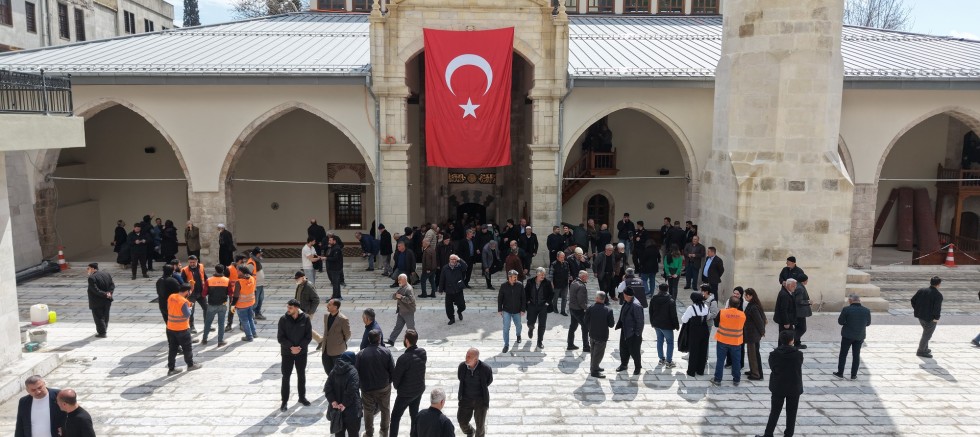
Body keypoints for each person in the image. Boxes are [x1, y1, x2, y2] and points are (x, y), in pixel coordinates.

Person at [755, 330, 804, 437]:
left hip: (778, 386)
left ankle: (768, 434)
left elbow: (773, 368)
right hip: (794, 387)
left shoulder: (774, 355)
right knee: (792, 413)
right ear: (792, 340)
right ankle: (788, 435)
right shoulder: (798, 355)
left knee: (775, 412)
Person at [357, 329, 394, 437]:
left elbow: (356, 372)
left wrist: (360, 385)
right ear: (379, 339)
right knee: (385, 409)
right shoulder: (386, 352)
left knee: (368, 411)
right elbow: (392, 370)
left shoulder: (361, 354)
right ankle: (384, 432)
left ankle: (369, 433)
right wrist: (389, 382)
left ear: (368, 339)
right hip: (383, 387)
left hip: (367, 388)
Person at [278, 299, 313, 411]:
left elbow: (308, 336)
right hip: (287, 353)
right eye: (287, 307)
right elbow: (280, 337)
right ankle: (284, 401)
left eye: (290, 308)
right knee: (286, 377)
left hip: (301, 353)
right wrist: (291, 347)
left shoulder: (306, 318)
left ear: (297, 308)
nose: (288, 309)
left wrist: (299, 348)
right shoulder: (283, 319)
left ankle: (302, 397)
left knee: (301, 375)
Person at [391, 330, 426, 437]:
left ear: (406, 340)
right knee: (414, 415)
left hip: (405, 393)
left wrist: (398, 387)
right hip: (418, 390)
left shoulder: (403, 359)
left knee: (395, 417)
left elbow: (396, 380)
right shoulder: (422, 352)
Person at [325, 351, 362, 437]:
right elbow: (352, 390)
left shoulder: (334, 370)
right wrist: (344, 404)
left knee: (339, 433)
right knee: (353, 433)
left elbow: (327, 387)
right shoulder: (353, 372)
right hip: (351, 410)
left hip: (336, 409)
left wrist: (333, 401)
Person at [167, 284, 202, 374]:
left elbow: (170, 308)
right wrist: (190, 307)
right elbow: (187, 315)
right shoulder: (183, 302)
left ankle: (171, 369)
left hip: (170, 328)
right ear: (187, 291)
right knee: (187, 348)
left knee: (172, 349)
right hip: (182, 329)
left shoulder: (171, 296)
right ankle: (190, 365)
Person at [457, 348, 493, 437]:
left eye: (469, 357)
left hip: (480, 400)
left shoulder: (485, 369)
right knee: (462, 421)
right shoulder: (462, 366)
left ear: (476, 359)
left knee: (480, 427)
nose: (466, 358)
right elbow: (460, 377)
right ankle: (470, 432)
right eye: (466, 355)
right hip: (466, 399)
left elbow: (489, 381)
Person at [711, 296, 747, 386]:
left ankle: (717, 379)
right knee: (736, 361)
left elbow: (716, 324)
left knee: (720, 360)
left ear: (729, 304)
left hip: (722, 340)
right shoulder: (742, 314)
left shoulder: (722, 312)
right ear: (739, 305)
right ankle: (736, 379)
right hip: (736, 341)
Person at [835, 294, 871, 380]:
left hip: (847, 335)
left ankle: (840, 373)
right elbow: (868, 323)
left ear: (850, 301)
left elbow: (840, 322)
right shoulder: (866, 310)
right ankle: (853, 375)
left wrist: (847, 323)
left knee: (843, 354)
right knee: (856, 355)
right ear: (859, 300)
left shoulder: (846, 309)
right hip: (859, 336)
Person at [202, 264, 235, 346]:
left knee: (208, 322)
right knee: (221, 323)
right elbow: (231, 293)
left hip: (211, 305)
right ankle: (220, 341)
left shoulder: (209, 280)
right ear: (223, 270)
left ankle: (204, 339)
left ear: (215, 270)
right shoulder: (227, 280)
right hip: (222, 305)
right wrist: (231, 302)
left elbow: (203, 294)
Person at [583, 291, 614, 378]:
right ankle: (594, 371)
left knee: (593, 352)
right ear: (604, 299)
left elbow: (585, 321)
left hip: (592, 334)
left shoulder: (590, 308)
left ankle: (594, 367)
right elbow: (611, 324)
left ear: (597, 298)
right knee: (598, 354)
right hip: (602, 335)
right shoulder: (608, 310)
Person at [911, 276, 943, 358]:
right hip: (930, 318)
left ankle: (925, 348)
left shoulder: (921, 290)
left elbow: (913, 300)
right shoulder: (938, 295)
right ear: (938, 284)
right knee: (927, 335)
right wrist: (937, 318)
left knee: (926, 332)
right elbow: (937, 308)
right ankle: (921, 351)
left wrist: (917, 309)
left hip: (920, 316)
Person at [317, 299, 352, 375]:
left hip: (337, 351)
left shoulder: (343, 319)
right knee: (328, 371)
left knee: (338, 373)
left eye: (329, 304)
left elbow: (348, 334)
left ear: (335, 307)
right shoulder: (326, 316)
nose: (327, 306)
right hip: (325, 350)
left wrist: (340, 343)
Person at [615, 287, 644, 375]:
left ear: (627, 295)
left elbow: (640, 321)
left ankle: (637, 367)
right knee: (623, 348)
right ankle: (624, 364)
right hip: (625, 329)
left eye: (623, 294)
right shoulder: (627, 302)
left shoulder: (636, 305)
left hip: (633, 333)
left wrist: (637, 334)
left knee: (634, 351)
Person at [649, 283, 679, 368]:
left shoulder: (654, 299)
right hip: (667, 325)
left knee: (659, 340)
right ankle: (669, 362)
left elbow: (651, 312)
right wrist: (676, 325)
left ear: (659, 289)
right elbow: (674, 315)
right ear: (667, 289)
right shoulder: (671, 300)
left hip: (657, 324)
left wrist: (652, 322)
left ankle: (661, 359)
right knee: (669, 342)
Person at [682, 292, 711, 377]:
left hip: (694, 331)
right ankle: (700, 370)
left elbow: (684, 320)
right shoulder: (706, 307)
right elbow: (708, 317)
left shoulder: (691, 308)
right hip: (704, 330)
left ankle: (691, 371)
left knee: (694, 351)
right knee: (703, 350)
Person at [525, 266, 554, 349]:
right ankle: (531, 328)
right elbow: (525, 292)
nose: (543, 276)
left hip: (543, 306)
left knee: (542, 325)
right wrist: (528, 301)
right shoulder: (530, 281)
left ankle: (539, 341)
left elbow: (551, 293)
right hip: (532, 305)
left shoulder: (547, 282)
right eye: (541, 275)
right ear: (537, 274)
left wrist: (547, 303)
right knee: (530, 322)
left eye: (544, 275)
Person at [498, 270, 527, 353]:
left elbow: (523, 298)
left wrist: (523, 309)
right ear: (509, 277)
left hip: (517, 310)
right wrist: (500, 309)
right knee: (506, 328)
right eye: (514, 277)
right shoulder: (503, 286)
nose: (516, 279)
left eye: (516, 277)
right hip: (506, 310)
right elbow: (500, 298)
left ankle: (518, 335)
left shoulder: (520, 285)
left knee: (519, 325)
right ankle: (506, 345)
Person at [743, 288, 767, 381]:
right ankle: (753, 370)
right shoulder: (753, 305)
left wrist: (762, 332)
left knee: (753, 355)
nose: (745, 297)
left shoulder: (753, 307)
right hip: (751, 334)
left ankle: (756, 374)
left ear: (751, 296)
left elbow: (760, 321)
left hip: (753, 335)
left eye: (746, 295)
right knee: (751, 353)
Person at [387, 274, 417, 346]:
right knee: (398, 327)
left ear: (404, 280)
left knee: (411, 328)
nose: (398, 281)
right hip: (401, 311)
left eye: (399, 279)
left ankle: (413, 342)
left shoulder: (409, 289)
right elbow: (396, 295)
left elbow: (410, 300)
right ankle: (391, 340)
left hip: (408, 312)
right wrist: (395, 295)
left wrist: (401, 297)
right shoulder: (402, 287)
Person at [180, 255, 208, 334]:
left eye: (193, 262)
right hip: (191, 294)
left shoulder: (201, 266)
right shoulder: (185, 270)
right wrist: (188, 285)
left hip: (201, 292)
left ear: (197, 261)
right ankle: (191, 326)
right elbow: (182, 282)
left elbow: (205, 277)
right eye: (190, 262)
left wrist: (208, 286)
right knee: (191, 311)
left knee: (206, 308)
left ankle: (207, 324)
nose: (192, 264)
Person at [86, 263, 114, 338]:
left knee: (98, 317)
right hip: (107, 300)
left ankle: (102, 333)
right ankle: (104, 328)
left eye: (88, 268)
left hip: (97, 301)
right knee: (106, 315)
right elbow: (112, 285)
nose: (87, 270)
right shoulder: (106, 274)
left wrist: (105, 294)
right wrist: (109, 293)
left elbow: (96, 290)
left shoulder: (91, 278)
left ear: (92, 269)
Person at [439, 254, 467, 325]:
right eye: (452, 259)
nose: (453, 261)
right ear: (449, 260)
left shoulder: (459, 266)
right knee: (448, 307)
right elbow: (442, 278)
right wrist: (441, 289)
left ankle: (459, 311)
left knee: (462, 305)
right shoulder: (445, 268)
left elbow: (465, 266)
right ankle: (451, 318)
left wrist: (459, 259)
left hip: (458, 289)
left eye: (455, 259)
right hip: (449, 290)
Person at [567, 270, 591, 352]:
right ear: (583, 277)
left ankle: (570, 344)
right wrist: (586, 308)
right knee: (585, 327)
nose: (587, 278)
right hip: (578, 310)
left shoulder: (573, 282)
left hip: (572, 308)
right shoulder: (581, 286)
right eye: (586, 276)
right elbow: (581, 301)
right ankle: (586, 346)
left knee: (573, 326)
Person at [234, 264, 257, 342]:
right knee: (250, 318)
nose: (236, 272)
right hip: (251, 302)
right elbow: (254, 290)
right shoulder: (252, 278)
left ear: (241, 272)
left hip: (242, 305)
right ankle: (254, 333)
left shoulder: (239, 282)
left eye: (237, 270)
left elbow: (236, 295)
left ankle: (249, 337)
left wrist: (233, 305)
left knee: (244, 321)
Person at [793, 274, 813, 348]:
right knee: (802, 329)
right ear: (804, 280)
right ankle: (791, 341)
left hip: (799, 312)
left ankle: (797, 343)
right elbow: (798, 301)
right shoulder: (800, 288)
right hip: (799, 313)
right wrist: (808, 302)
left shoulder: (798, 286)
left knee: (798, 328)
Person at [549, 250, 572, 316]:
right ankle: (555, 308)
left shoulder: (566, 263)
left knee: (564, 298)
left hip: (565, 283)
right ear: (557, 257)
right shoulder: (554, 264)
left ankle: (563, 310)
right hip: (556, 283)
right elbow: (551, 275)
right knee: (555, 297)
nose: (563, 258)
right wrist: (551, 283)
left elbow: (568, 272)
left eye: (563, 257)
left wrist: (568, 278)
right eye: (561, 257)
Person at [248, 247, 267, 320]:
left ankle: (257, 313)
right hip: (255, 285)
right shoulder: (251, 263)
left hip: (260, 285)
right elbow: (248, 275)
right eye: (260, 253)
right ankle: (251, 317)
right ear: (256, 254)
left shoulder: (257, 261)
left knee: (260, 299)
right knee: (254, 302)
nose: (261, 255)